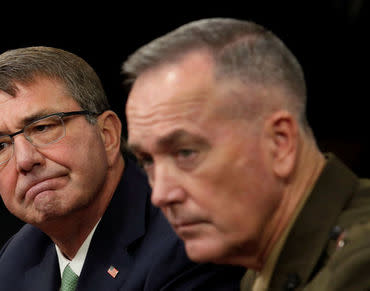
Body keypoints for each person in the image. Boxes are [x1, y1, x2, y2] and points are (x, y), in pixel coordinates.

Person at [0, 46, 244, 291]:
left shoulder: (186, 240)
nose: (24, 160)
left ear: (107, 135)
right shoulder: (15, 264)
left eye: (43, 127)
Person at [123, 18, 370, 290]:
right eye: (147, 160)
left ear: (280, 143)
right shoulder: (261, 262)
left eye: (186, 153)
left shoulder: (358, 267)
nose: (160, 195)